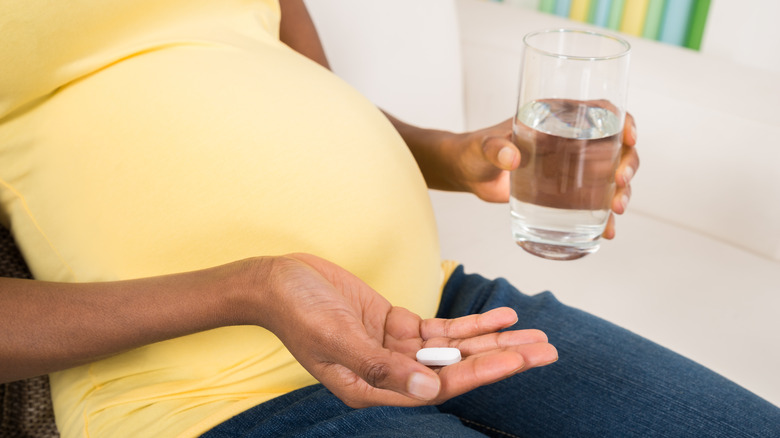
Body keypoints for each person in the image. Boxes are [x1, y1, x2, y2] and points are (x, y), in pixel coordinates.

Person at [0, 1, 777, 437]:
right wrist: (256, 288)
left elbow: (299, 92)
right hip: (218, 395)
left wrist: (454, 155)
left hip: (437, 310)